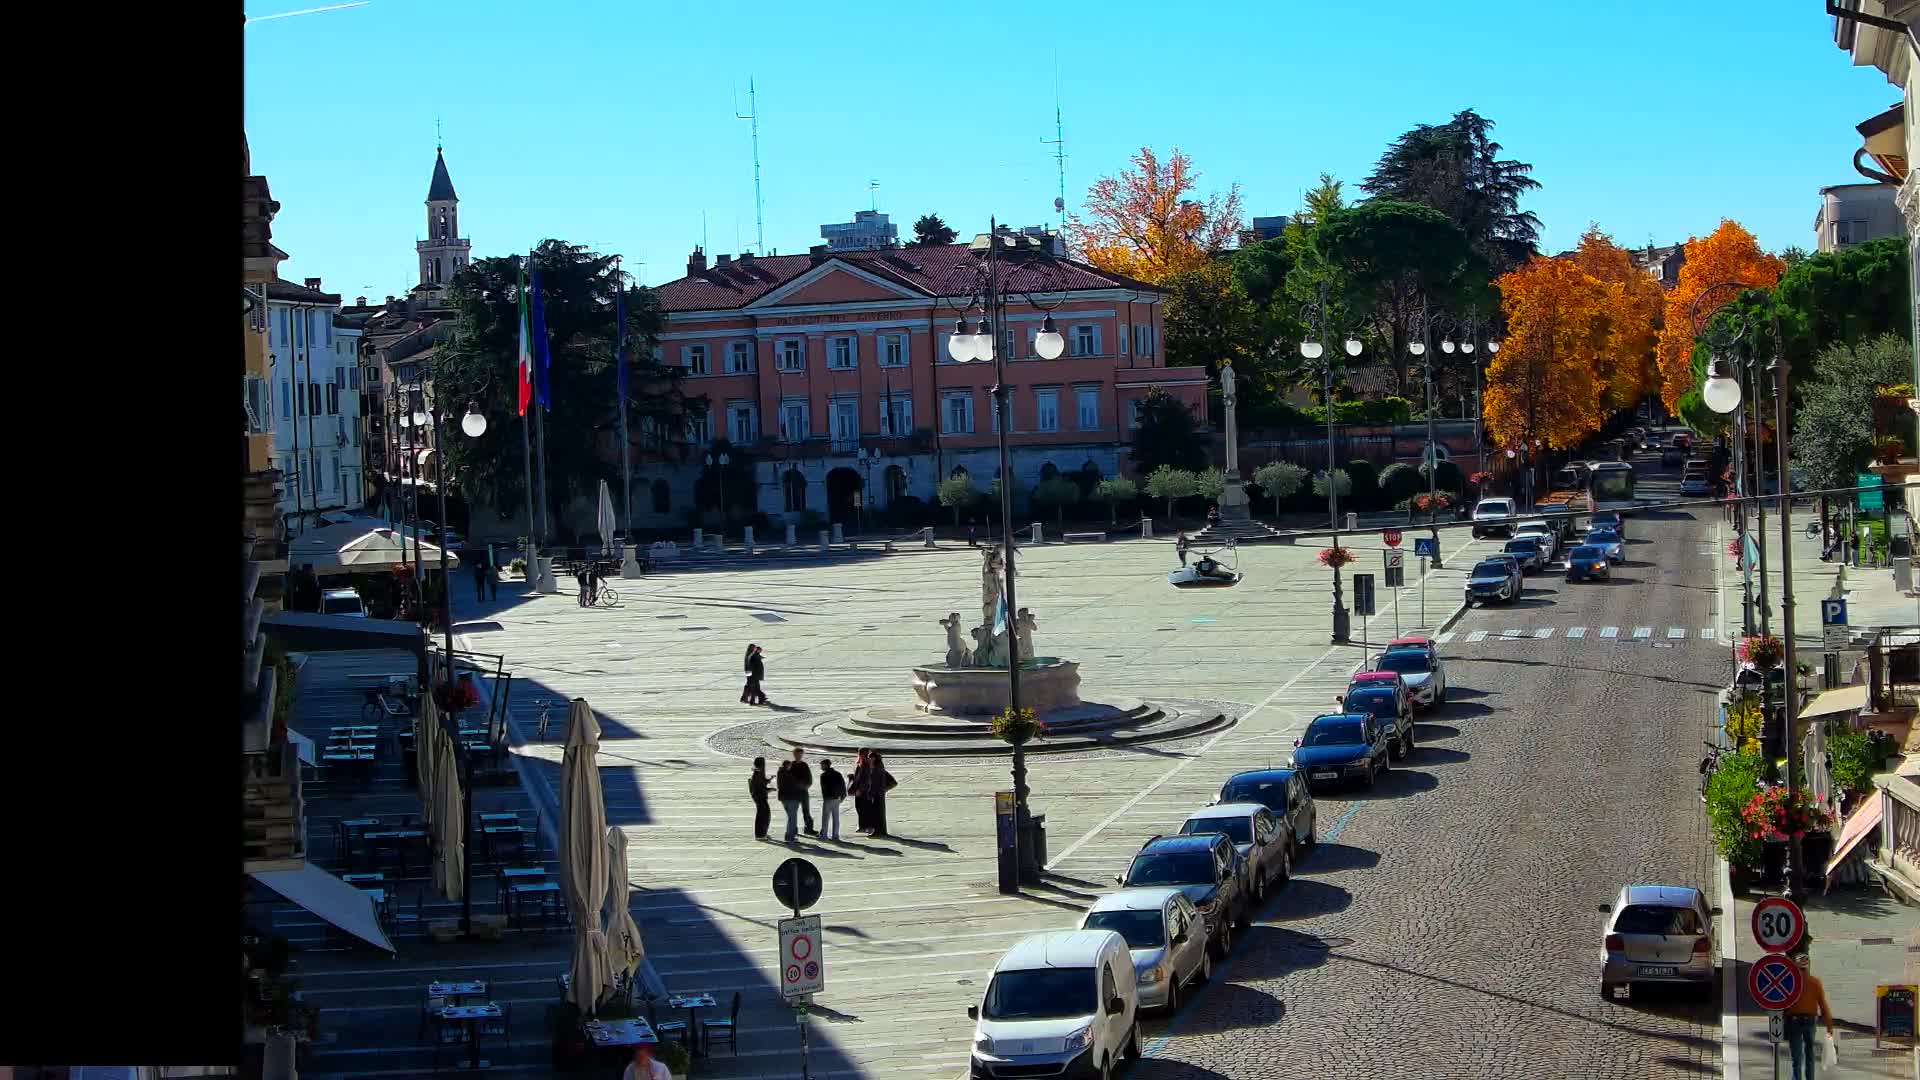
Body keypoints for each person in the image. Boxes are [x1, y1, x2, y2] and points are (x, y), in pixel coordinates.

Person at [1781, 967, 1835, 1080]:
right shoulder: (1815, 982)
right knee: (1810, 1053)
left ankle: (1797, 1078)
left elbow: (1784, 1004)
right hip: (1810, 1020)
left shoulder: (1791, 983)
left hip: (1794, 1020)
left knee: (1796, 1057)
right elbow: (1823, 1005)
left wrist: (1783, 1025)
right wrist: (1829, 1025)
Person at [866, 751, 896, 838]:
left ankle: (878, 832)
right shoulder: (878, 767)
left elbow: (875, 783)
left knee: (877, 814)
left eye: (870, 758)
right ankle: (881, 831)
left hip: (877, 793)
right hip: (879, 793)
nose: (868, 759)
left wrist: (881, 790)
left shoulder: (877, 769)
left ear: (874, 758)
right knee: (879, 813)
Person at [787, 746, 816, 835]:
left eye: (800, 754)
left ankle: (808, 829)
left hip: (803, 792)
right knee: (792, 813)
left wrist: (806, 786)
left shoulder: (804, 765)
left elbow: (809, 779)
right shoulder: (791, 765)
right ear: (794, 754)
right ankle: (793, 830)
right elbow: (787, 779)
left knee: (806, 811)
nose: (798, 756)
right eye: (796, 754)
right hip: (794, 793)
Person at [818, 757, 845, 841]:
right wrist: (843, 796)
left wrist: (825, 798)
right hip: (836, 798)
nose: (821, 767)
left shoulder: (823, 775)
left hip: (828, 799)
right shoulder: (837, 774)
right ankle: (835, 836)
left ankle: (824, 835)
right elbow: (842, 785)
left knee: (825, 818)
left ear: (826, 765)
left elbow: (824, 789)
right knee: (836, 818)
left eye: (822, 765)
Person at [748, 757, 771, 841]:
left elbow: (762, 783)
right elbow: (759, 788)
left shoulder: (758, 773)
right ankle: (760, 834)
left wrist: (769, 780)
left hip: (761, 798)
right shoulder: (757, 774)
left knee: (764, 815)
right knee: (763, 816)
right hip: (760, 798)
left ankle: (762, 833)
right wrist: (769, 790)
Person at [849, 749, 872, 833]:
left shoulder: (866, 765)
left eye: (860, 754)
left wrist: (860, 790)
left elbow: (867, 779)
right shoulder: (860, 764)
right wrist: (852, 777)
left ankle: (867, 826)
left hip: (864, 791)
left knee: (864, 808)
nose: (859, 756)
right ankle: (863, 826)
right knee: (859, 807)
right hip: (859, 790)